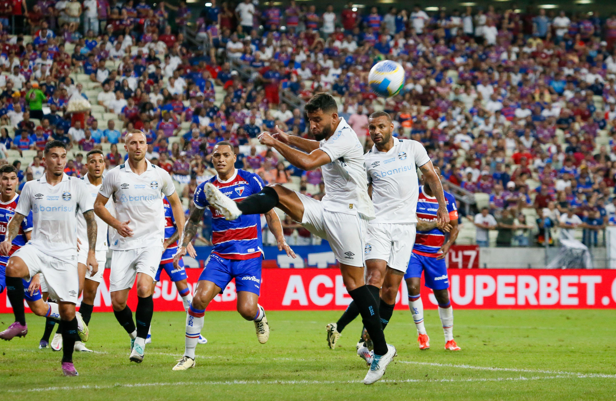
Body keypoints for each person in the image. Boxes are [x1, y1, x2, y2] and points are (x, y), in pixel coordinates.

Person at [202, 94, 433, 384]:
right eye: (310, 120)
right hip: (328, 209)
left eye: (317, 120)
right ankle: (236, 208)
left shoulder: (347, 137)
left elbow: (310, 162)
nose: (313, 125)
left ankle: (381, 350)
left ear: (334, 118)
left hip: (352, 217)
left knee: (355, 286)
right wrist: (291, 137)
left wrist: (278, 144)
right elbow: (316, 146)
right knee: (279, 192)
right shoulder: (332, 135)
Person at [326, 112, 450, 367]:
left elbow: (431, 175)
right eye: (372, 127)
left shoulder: (412, 148)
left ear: (392, 127)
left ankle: (369, 337)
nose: (376, 131)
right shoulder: (367, 161)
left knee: (391, 291)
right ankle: (373, 337)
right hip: (378, 224)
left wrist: (442, 206)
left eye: (381, 126)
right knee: (374, 277)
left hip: (406, 227)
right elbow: (363, 192)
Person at [171, 141, 295, 371]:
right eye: (216, 155)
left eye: (225, 155)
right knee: (198, 299)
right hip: (220, 256)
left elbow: (269, 210)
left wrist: (280, 239)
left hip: (249, 257)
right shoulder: (206, 188)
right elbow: (194, 220)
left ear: (234, 157)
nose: (220, 159)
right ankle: (189, 356)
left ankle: (259, 316)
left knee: (246, 310)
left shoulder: (250, 180)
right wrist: (182, 245)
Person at [0, 141, 98, 376]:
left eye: (63, 156)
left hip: (65, 256)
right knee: (12, 266)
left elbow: (91, 220)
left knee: (67, 313)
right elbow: (17, 219)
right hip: (38, 248)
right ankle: (20, 323)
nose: (60, 161)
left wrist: (92, 252)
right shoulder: (32, 187)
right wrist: (7, 238)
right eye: (54, 156)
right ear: (44, 159)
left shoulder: (76, 186)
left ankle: (67, 361)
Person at [93, 131, 184, 363]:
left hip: (152, 242)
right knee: (118, 302)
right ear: (125, 146)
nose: (137, 146)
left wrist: (180, 232)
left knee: (144, 288)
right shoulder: (114, 175)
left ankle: (141, 343)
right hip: (123, 244)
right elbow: (98, 205)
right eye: (133, 142)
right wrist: (115, 224)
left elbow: (175, 202)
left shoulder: (160, 174)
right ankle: (134, 335)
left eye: (141, 142)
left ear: (146, 146)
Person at [40, 150, 112, 352]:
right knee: (75, 289)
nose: (97, 165)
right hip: (78, 246)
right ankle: (62, 332)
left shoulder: (111, 188)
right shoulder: (76, 186)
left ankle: (78, 340)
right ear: (86, 165)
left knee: (89, 294)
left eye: (100, 161)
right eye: (92, 161)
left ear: (104, 165)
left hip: (100, 248)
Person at [403, 167, 460, 351]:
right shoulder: (414, 195)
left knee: (442, 296)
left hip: (435, 254)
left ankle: (449, 339)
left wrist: (448, 244)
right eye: (428, 174)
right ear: (422, 177)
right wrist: (437, 223)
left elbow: (454, 227)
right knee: (412, 286)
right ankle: (422, 333)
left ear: (439, 178)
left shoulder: (447, 199)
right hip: (413, 251)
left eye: (435, 175)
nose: (432, 177)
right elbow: (417, 225)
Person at [149, 196, 206, 345]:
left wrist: (167, 243)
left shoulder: (169, 200)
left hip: (170, 251)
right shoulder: (147, 198)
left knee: (184, 290)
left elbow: (180, 227)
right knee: (146, 292)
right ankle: (145, 333)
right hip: (151, 252)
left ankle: (195, 330)